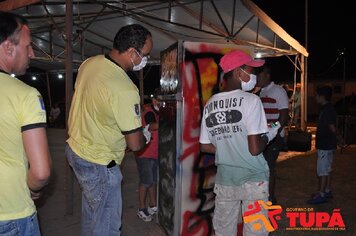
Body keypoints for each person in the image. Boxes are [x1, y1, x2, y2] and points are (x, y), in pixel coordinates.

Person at [65, 24, 153, 235]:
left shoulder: (90, 63)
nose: (145, 60)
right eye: (145, 55)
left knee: (92, 215)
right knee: (107, 225)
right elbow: (134, 143)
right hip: (100, 163)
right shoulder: (124, 88)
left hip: (76, 151)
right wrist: (144, 135)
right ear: (132, 52)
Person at [199, 50, 279, 236]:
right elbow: (254, 149)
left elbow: (204, 145)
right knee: (255, 231)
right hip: (253, 179)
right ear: (237, 72)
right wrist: (270, 133)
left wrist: (229, 147)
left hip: (226, 179)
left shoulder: (210, 104)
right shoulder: (251, 101)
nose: (254, 76)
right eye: (251, 71)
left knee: (224, 231)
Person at [0, 11, 52, 235]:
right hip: (12, 214)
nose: (32, 53)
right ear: (8, 47)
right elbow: (41, 171)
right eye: (28, 45)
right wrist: (34, 190)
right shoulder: (26, 95)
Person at [256, 66, 289, 204]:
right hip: (262, 136)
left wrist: (271, 130)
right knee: (261, 167)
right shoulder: (260, 93)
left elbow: (283, 118)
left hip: (274, 137)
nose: (257, 78)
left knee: (269, 166)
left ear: (267, 75)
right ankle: (263, 195)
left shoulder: (278, 91)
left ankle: (270, 198)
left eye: (260, 75)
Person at [307, 85, 337, 204]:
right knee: (327, 169)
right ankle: (327, 190)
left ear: (322, 96)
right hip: (328, 145)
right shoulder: (327, 108)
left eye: (316, 95)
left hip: (325, 145)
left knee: (322, 170)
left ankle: (321, 193)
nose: (315, 97)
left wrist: (337, 137)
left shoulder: (327, 109)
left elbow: (332, 127)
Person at [135, 89, 160, 222]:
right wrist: (169, 120)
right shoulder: (149, 111)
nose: (159, 102)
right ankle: (141, 209)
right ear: (153, 99)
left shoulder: (158, 111)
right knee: (146, 181)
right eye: (157, 99)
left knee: (153, 181)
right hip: (144, 153)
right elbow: (152, 126)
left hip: (154, 153)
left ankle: (153, 205)